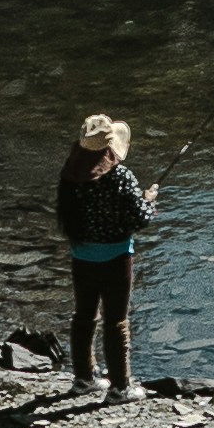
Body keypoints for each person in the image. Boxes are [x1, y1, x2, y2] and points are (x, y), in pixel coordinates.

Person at [55, 110, 156, 397]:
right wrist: (148, 201)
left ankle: (84, 379)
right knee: (116, 320)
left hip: (82, 258)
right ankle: (120, 387)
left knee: (84, 316)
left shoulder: (71, 175)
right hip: (116, 258)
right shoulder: (120, 175)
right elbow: (140, 219)